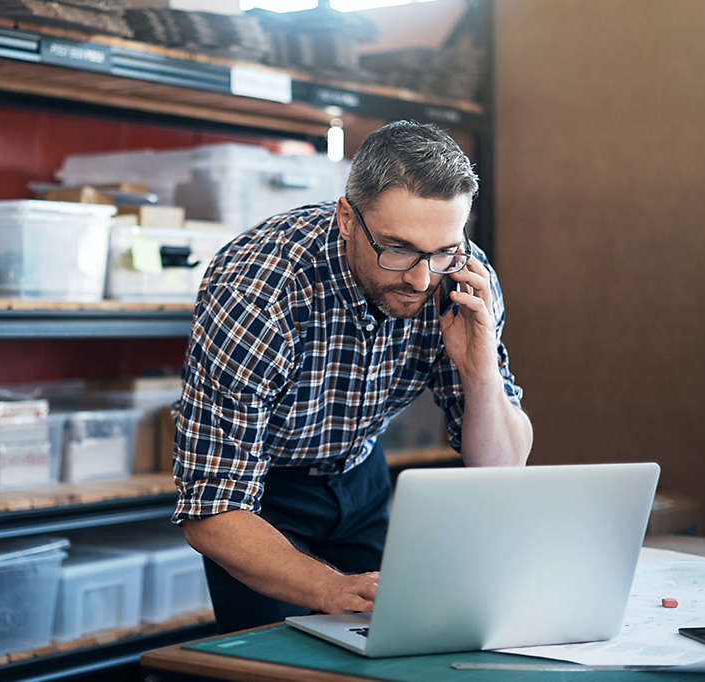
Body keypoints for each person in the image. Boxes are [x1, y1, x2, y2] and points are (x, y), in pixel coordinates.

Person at [172, 120, 533, 633]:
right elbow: (211, 509)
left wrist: (481, 375)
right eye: (398, 248)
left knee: (402, 643)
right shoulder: (258, 292)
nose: (420, 278)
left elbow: (500, 469)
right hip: (260, 498)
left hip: (360, 475)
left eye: (442, 251)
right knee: (283, 667)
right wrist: (331, 589)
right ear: (346, 218)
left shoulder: (460, 276)